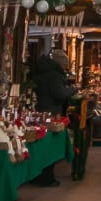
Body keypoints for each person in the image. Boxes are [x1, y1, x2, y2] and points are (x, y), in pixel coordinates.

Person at [29, 48, 80, 183]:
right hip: (51, 113)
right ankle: (47, 177)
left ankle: (38, 175)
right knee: (49, 147)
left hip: (41, 109)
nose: (65, 67)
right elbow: (60, 94)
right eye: (65, 65)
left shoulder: (43, 73)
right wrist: (72, 89)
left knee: (42, 144)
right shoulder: (54, 76)